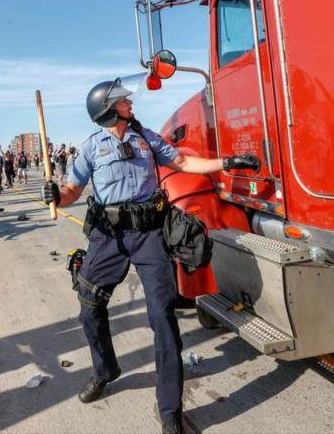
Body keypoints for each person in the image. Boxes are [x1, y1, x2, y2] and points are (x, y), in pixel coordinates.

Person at [41, 77, 259, 434]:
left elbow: (185, 164)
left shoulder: (146, 138)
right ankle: (104, 370)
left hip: (148, 236)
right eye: (123, 101)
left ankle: (169, 409)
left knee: (162, 316)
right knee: (89, 310)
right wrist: (56, 195)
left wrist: (227, 162)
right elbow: (71, 191)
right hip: (107, 237)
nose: (130, 103)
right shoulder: (92, 147)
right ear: (109, 110)